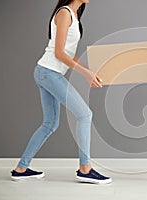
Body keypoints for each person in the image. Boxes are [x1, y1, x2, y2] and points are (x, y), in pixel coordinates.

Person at [10, 0, 112, 184]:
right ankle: (85, 168)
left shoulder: (73, 14)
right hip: (49, 73)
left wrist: (89, 70)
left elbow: (69, 52)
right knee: (85, 115)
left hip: (46, 72)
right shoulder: (64, 13)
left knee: (50, 124)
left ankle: (20, 168)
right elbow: (59, 53)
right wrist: (86, 73)